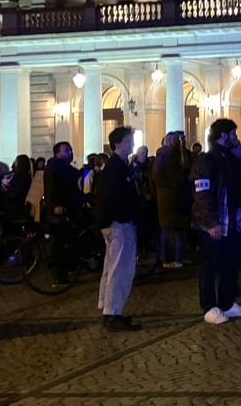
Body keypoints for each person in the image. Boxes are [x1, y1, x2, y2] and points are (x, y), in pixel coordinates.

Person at [191, 119, 241, 325]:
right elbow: (203, 194)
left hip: (232, 222)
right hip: (215, 223)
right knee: (210, 265)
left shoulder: (232, 159)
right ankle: (209, 306)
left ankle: (226, 302)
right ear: (223, 136)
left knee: (231, 263)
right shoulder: (206, 160)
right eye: (233, 134)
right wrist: (210, 222)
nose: (236, 138)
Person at [95, 127, 143, 332]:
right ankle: (112, 313)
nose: (132, 144)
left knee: (112, 268)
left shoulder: (119, 166)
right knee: (119, 270)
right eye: (129, 141)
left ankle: (109, 310)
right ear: (118, 144)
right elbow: (109, 199)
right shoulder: (115, 168)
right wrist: (119, 219)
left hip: (118, 223)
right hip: (119, 225)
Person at [43, 142, 82, 284]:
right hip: (61, 211)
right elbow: (51, 187)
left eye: (70, 150)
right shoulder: (55, 167)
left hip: (66, 208)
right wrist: (55, 205)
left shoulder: (61, 166)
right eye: (66, 150)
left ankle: (65, 269)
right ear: (57, 153)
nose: (70, 152)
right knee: (63, 242)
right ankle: (61, 273)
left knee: (64, 241)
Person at [154, 131, 192, 269]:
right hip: (169, 198)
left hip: (178, 196)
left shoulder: (179, 155)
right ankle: (168, 259)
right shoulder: (163, 156)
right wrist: (174, 183)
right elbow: (157, 176)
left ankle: (178, 256)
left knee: (179, 230)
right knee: (168, 230)